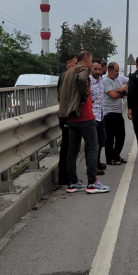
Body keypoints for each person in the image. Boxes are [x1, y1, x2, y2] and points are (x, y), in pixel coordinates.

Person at [58, 51, 110, 194]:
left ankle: (73, 181)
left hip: (71, 116)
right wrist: (84, 96)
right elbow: (82, 80)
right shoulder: (82, 69)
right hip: (85, 116)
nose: (91, 63)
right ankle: (92, 182)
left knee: (72, 151)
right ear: (86, 59)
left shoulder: (67, 72)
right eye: (91, 60)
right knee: (93, 147)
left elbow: (61, 92)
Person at [57, 54, 78, 185]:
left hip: (65, 115)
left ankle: (66, 175)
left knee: (69, 147)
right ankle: (64, 177)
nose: (76, 67)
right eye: (75, 64)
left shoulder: (66, 75)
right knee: (67, 148)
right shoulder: (65, 77)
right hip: (65, 116)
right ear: (68, 63)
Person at [103, 62, 127, 165]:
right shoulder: (106, 81)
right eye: (116, 71)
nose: (118, 73)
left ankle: (116, 155)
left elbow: (125, 94)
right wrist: (121, 92)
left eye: (118, 71)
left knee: (121, 135)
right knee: (110, 137)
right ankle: (110, 159)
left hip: (118, 112)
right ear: (110, 70)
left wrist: (122, 91)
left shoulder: (117, 81)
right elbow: (113, 95)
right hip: (109, 113)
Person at [90, 59, 107, 175]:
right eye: (95, 69)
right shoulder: (88, 81)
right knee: (92, 143)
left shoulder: (101, 80)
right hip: (92, 116)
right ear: (91, 69)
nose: (97, 71)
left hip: (101, 114)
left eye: (99, 69)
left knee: (101, 141)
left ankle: (97, 162)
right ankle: (92, 167)